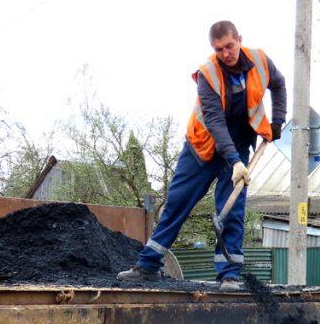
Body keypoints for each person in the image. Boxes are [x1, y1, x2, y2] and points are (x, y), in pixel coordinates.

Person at [117, 20, 287, 290]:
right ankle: (148, 266)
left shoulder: (260, 59)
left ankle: (229, 276)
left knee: (231, 211)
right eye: (219, 49)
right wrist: (234, 163)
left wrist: (278, 120)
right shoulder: (207, 75)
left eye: (229, 46)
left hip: (240, 145)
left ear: (239, 40)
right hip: (203, 146)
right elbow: (215, 122)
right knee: (177, 203)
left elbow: (278, 83)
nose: (225, 53)